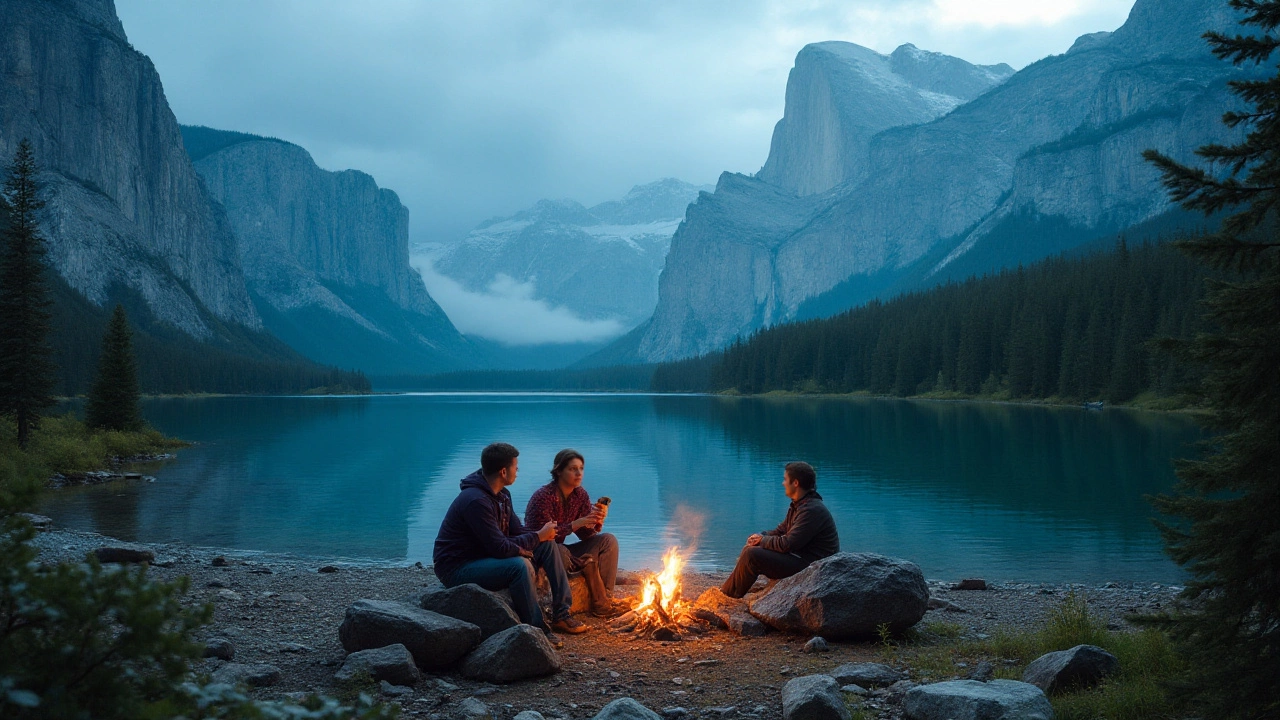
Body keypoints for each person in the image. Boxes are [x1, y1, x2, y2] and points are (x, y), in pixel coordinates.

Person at [433, 442, 588, 636]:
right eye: (515, 466)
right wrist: (536, 537)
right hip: (457, 567)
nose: (518, 470)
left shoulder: (502, 495)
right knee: (519, 566)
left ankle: (562, 614)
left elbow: (517, 531)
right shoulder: (475, 501)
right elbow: (499, 548)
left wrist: (539, 538)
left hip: (483, 556)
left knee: (548, 544)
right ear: (503, 472)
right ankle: (536, 628)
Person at [525, 449, 629, 618]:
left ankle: (604, 601)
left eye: (581, 468)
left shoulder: (580, 495)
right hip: (543, 551)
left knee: (608, 541)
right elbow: (541, 538)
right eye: (573, 469)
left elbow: (586, 535)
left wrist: (595, 522)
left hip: (563, 551)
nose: (579, 473)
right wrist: (576, 523)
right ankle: (584, 570)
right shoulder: (543, 497)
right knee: (560, 550)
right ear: (558, 471)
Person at [721, 461, 840, 598]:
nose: (783, 483)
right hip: (802, 558)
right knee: (749, 548)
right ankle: (729, 590)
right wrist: (760, 536)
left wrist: (763, 541)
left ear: (795, 483)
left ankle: (727, 596)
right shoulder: (800, 505)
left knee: (752, 555)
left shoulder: (811, 510)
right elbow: (781, 531)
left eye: (785, 479)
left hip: (814, 567)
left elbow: (787, 544)